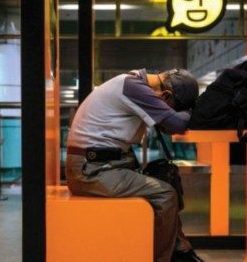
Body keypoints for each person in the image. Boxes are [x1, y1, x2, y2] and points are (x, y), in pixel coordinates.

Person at [65, 68, 204, 262]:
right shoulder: (134, 88)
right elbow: (175, 125)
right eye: (171, 106)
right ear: (166, 95)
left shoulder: (133, 83)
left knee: (166, 179)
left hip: (98, 165)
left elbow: (167, 128)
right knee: (165, 194)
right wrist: (195, 113)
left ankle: (180, 249)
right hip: (91, 171)